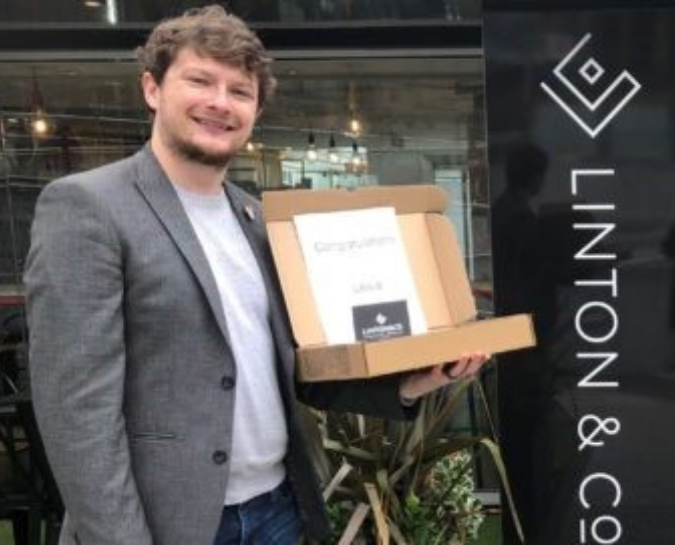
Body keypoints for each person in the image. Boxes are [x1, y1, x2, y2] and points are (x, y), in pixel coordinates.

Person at [24, 6, 488, 545]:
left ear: (255, 110)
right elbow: (76, 412)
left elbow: (300, 369)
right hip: (166, 525)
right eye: (200, 81)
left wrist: (417, 379)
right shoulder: (88, 206)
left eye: (239, 91)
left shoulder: (260, 220)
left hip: (275, 512)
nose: (220, 102)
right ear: (152, 88)